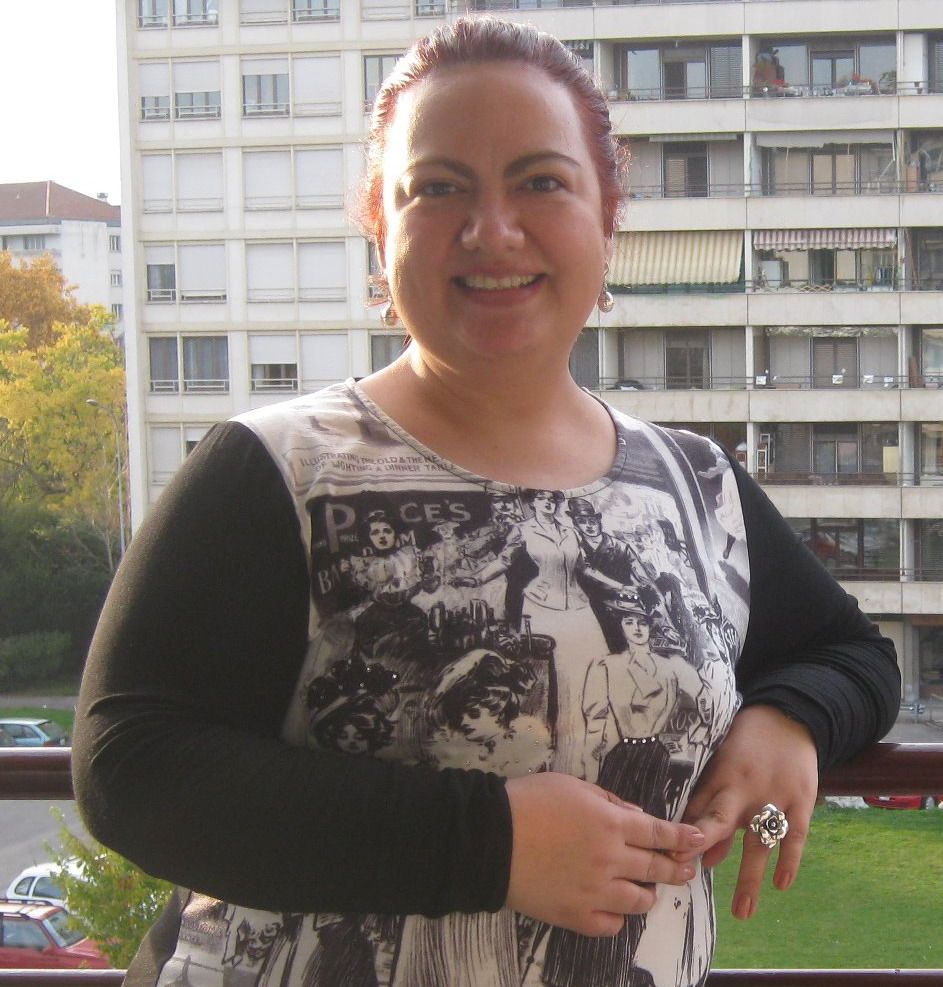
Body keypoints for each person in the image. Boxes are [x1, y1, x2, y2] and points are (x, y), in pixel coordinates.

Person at [72, 17, 900, 987]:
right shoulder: (275, 471)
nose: (493, 230)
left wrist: (789, 722)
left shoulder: (693, 484)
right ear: (379, 226)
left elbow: (852, 655)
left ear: (607, 216)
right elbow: (131, 768)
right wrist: (490, 845)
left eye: (541, 182)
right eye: (437, 188)